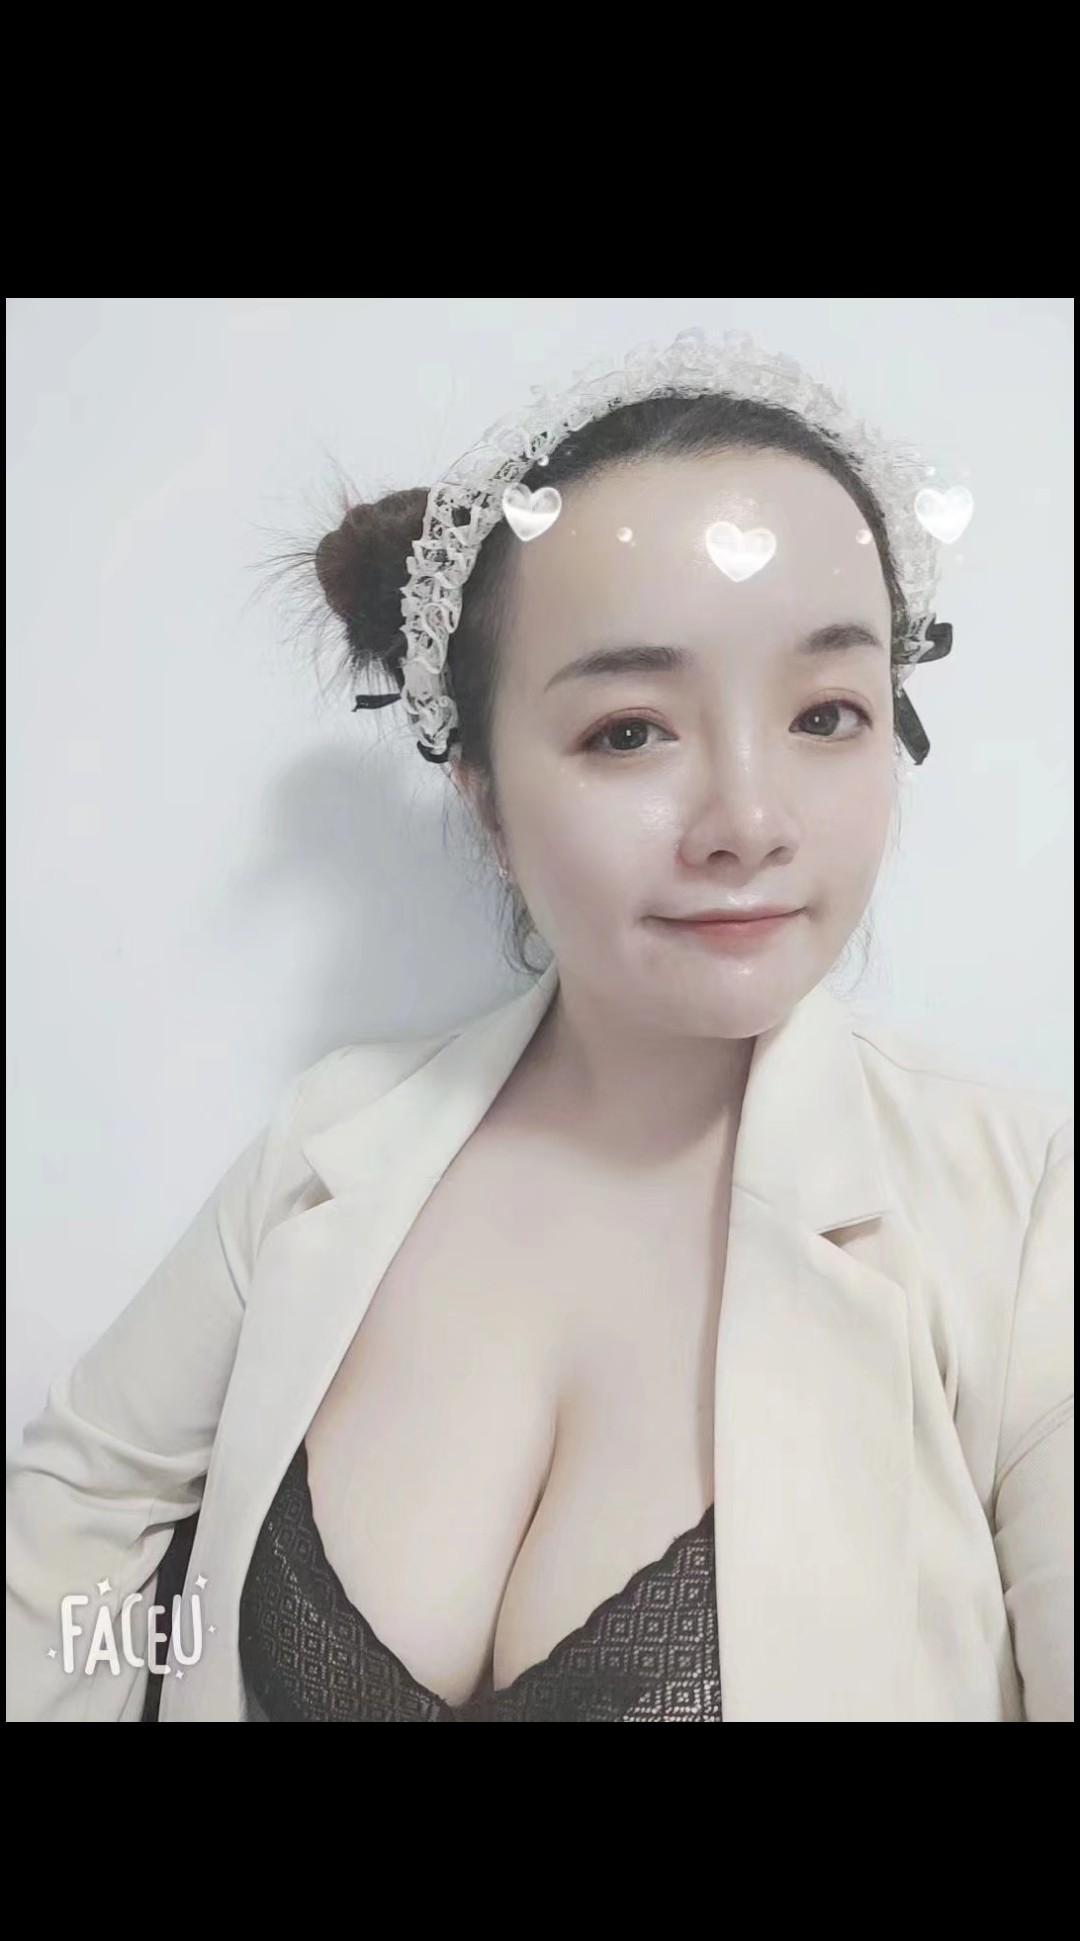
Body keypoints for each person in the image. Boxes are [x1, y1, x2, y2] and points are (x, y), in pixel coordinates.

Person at [6, 329, 1073, 1722]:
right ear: (484, 792)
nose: (749, 822)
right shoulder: (334, 1140)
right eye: (631, 731)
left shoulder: (1022, 1215)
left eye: (826, 713)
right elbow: (78, 1508)